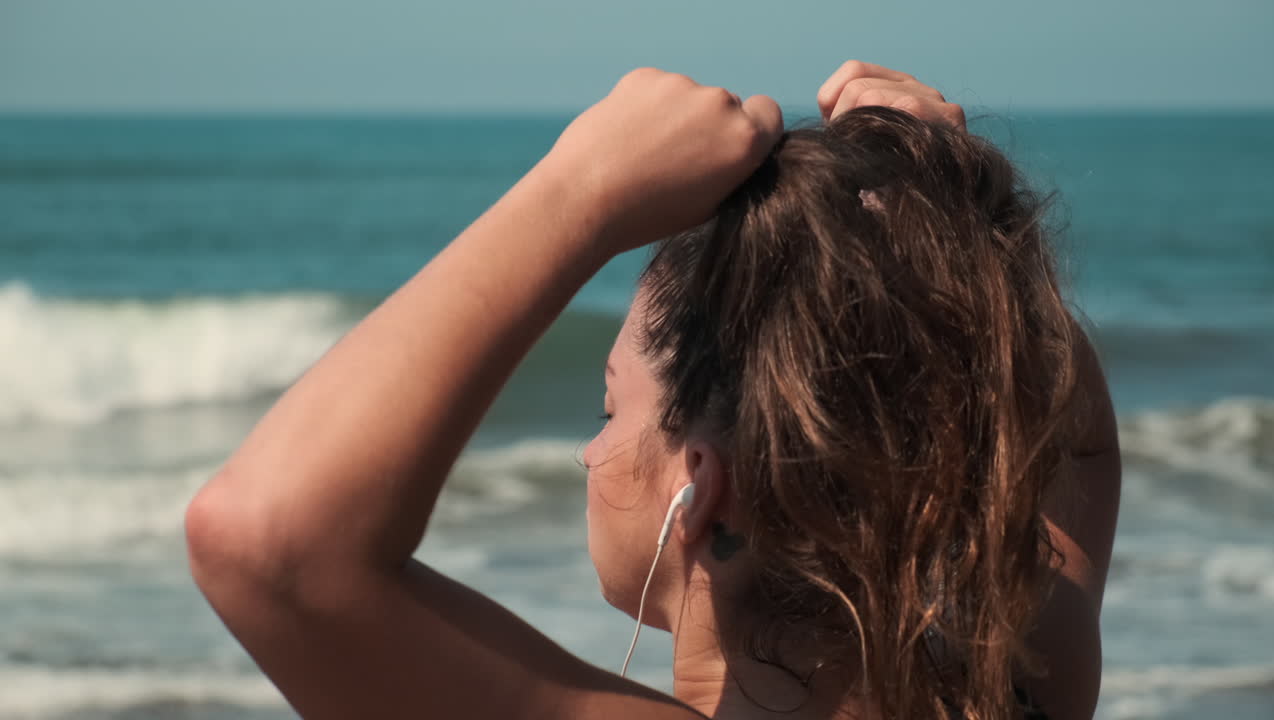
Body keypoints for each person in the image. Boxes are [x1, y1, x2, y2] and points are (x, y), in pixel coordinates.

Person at [185, 61, 1120, 720]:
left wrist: (582, 189)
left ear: (701, 487)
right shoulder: (1026, 678)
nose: (591, 451)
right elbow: (1071, 438)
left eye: (610, 408)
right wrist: (936, 226)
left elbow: (268, 541)